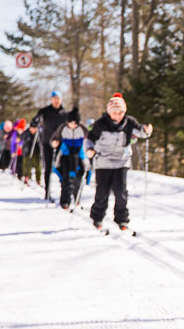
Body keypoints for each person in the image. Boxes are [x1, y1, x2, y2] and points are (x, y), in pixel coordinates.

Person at [86, 93, 152, 229]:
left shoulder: (129, 122)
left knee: (120, 191)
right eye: (114, 112)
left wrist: (147, 130)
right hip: (103, 161)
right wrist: (89, 150)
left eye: (120, 112)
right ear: (110, 112)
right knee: (102, 191)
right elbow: (89, 139)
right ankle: (97, 217)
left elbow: (141, 132)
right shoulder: (100, 124)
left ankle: (122, 219)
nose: (117, 115)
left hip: (121, 161)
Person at [50, 106, 90, 209]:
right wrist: (54, 142)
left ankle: (77, 198)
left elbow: (91, 137)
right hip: (65, 155)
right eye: (70, 122)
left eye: (75, 123)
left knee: (78, 178)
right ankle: (65, 201)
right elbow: (54, 138)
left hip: (79, 155)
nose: (73, 125)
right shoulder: (63, 128)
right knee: (66, 179)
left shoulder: (82, 128)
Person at [31, 90, 67, 199]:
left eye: (58, 99)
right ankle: (47, 191)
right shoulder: (44, 111)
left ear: (61, 100)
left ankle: (64, 192)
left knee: (62, 167)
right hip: (47, 142)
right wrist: (34, 125)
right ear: (51, 100)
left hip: (61, 143)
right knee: (47, 167)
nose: (56, 101)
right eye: (54, 99)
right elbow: (35, 120)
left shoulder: (64, 113)